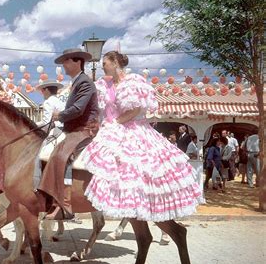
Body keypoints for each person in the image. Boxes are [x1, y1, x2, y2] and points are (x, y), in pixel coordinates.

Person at [80, 50, 203, 221]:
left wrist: (115, 123)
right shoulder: (104, 84)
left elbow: (136, 109)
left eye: (105, 64)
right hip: (111, 127)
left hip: (132, 129)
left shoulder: (133, 81)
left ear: (115, 62)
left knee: (139, 167)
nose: (103, 67)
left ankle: (148, 204)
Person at [38, 48, 99, 220]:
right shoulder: (76, 82)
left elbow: (78, 109)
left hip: (84, 129)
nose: (63, 65)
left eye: (66, 61)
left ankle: (63, 204)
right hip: (72, 128)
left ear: (77, 62)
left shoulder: (85, 82)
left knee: (60, 155)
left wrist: (60, 115)